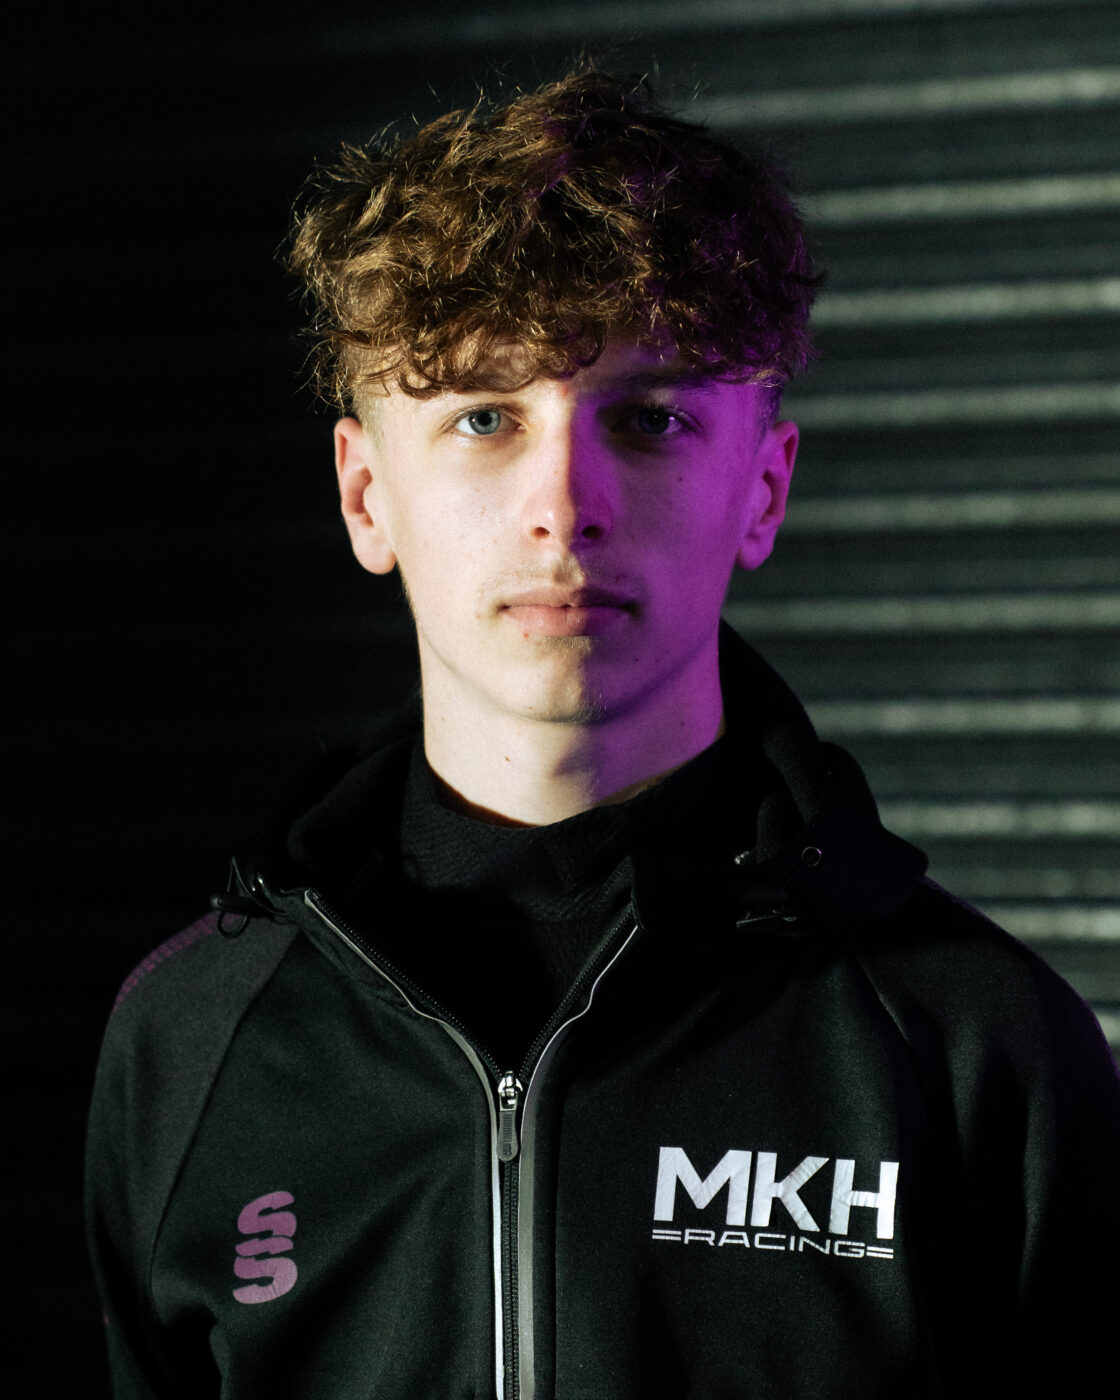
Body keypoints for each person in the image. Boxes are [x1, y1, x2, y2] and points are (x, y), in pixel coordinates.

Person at [86, 71, 1120, 1399]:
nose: (564, 503)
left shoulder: (975, 1050)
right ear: (365, 494)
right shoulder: (193, 1042)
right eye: (482, 416)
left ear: (764, 488)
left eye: (648, 419)